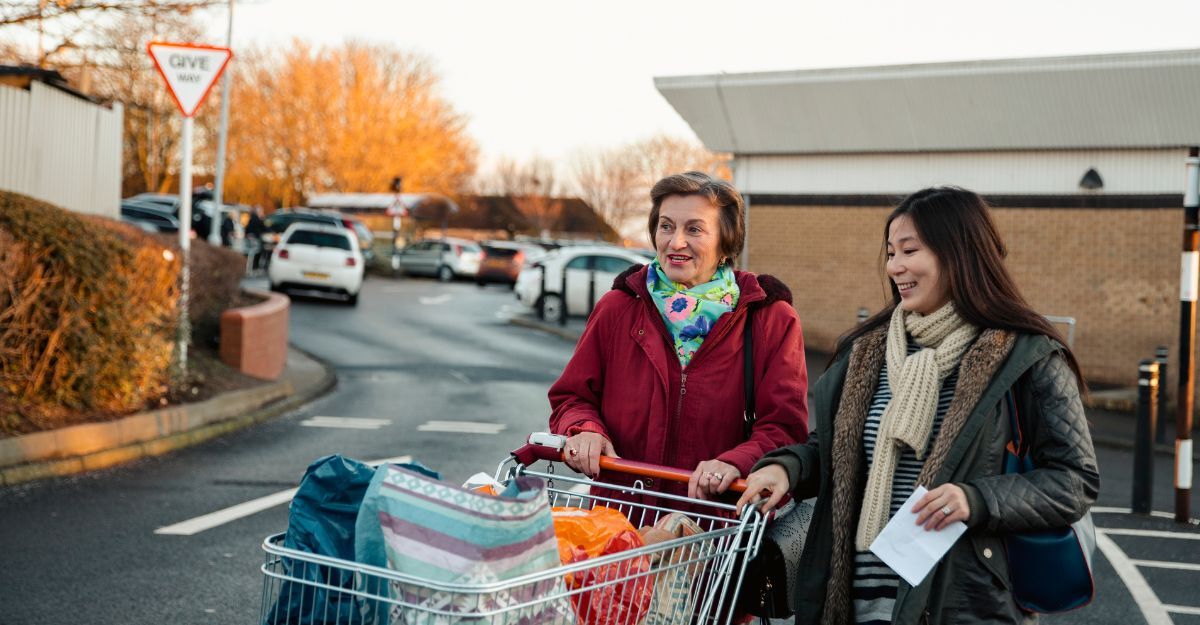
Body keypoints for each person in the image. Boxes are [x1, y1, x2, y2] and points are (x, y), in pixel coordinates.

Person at [736, 187, 1099, 625]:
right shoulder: (867, 352)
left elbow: (1074, 481)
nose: (895, 267)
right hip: (850, 602)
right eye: (890, 252)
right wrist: (787, 467)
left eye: (910, 251)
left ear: (960, 253)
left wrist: (977, 498)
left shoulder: (1026, 357)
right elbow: (836, 448)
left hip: (960, 603)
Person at [548, 171, 809, 507]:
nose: (675, 242)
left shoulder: (770, 319)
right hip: (620, 520)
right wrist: (585, 429)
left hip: (714, 526)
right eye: (666, 226)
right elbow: (572, 396)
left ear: (725, 241)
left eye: (694, 229)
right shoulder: (618, 308)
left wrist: (736, 461)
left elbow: (784, 428)